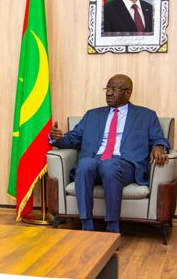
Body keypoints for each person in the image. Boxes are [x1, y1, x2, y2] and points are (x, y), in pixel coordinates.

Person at [49, 74, 169, 233]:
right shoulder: (92, 115)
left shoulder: (146, 115)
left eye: (114, 89)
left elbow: (158, 138)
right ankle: (86, 226)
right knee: (84, 164)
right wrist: (56, 138)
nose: (109, 93)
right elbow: (73, 138)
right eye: (107, 88)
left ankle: (112, 227)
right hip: (95, 159)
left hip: (124, 163)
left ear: (128, 93)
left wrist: (159, 146)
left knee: (110, 165)